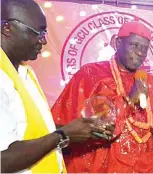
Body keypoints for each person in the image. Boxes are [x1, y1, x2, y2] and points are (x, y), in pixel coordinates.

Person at [0, 0, 112, 173]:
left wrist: (82, 129)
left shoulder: (25, 71)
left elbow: (36, 132)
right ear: (7, 28)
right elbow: (3, 160)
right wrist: (63, 135)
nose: (43, 41)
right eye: (37, 32)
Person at [51, 21, 153, 173]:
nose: (140, 52)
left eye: (144, 48)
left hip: (142, 166)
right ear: (118, 43)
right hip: (101, 165)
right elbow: (96, 129)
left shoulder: (147, 80)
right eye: (134, 45)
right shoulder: (91, 74)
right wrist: (129, 100)